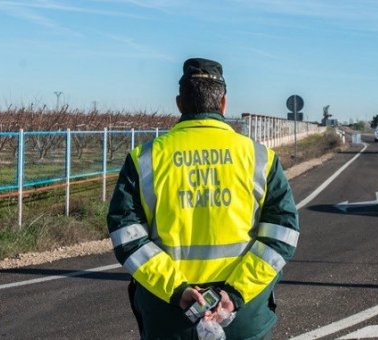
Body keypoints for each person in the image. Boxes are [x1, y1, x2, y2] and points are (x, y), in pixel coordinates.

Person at [107, 57, 300, 339]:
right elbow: (282, 236)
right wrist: (234, 294)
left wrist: (177, 290)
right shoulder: (261, 159)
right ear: (223, 104)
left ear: (179, 103)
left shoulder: (144, 159)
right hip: (240, 316)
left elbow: (126, 236)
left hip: (169, 317)